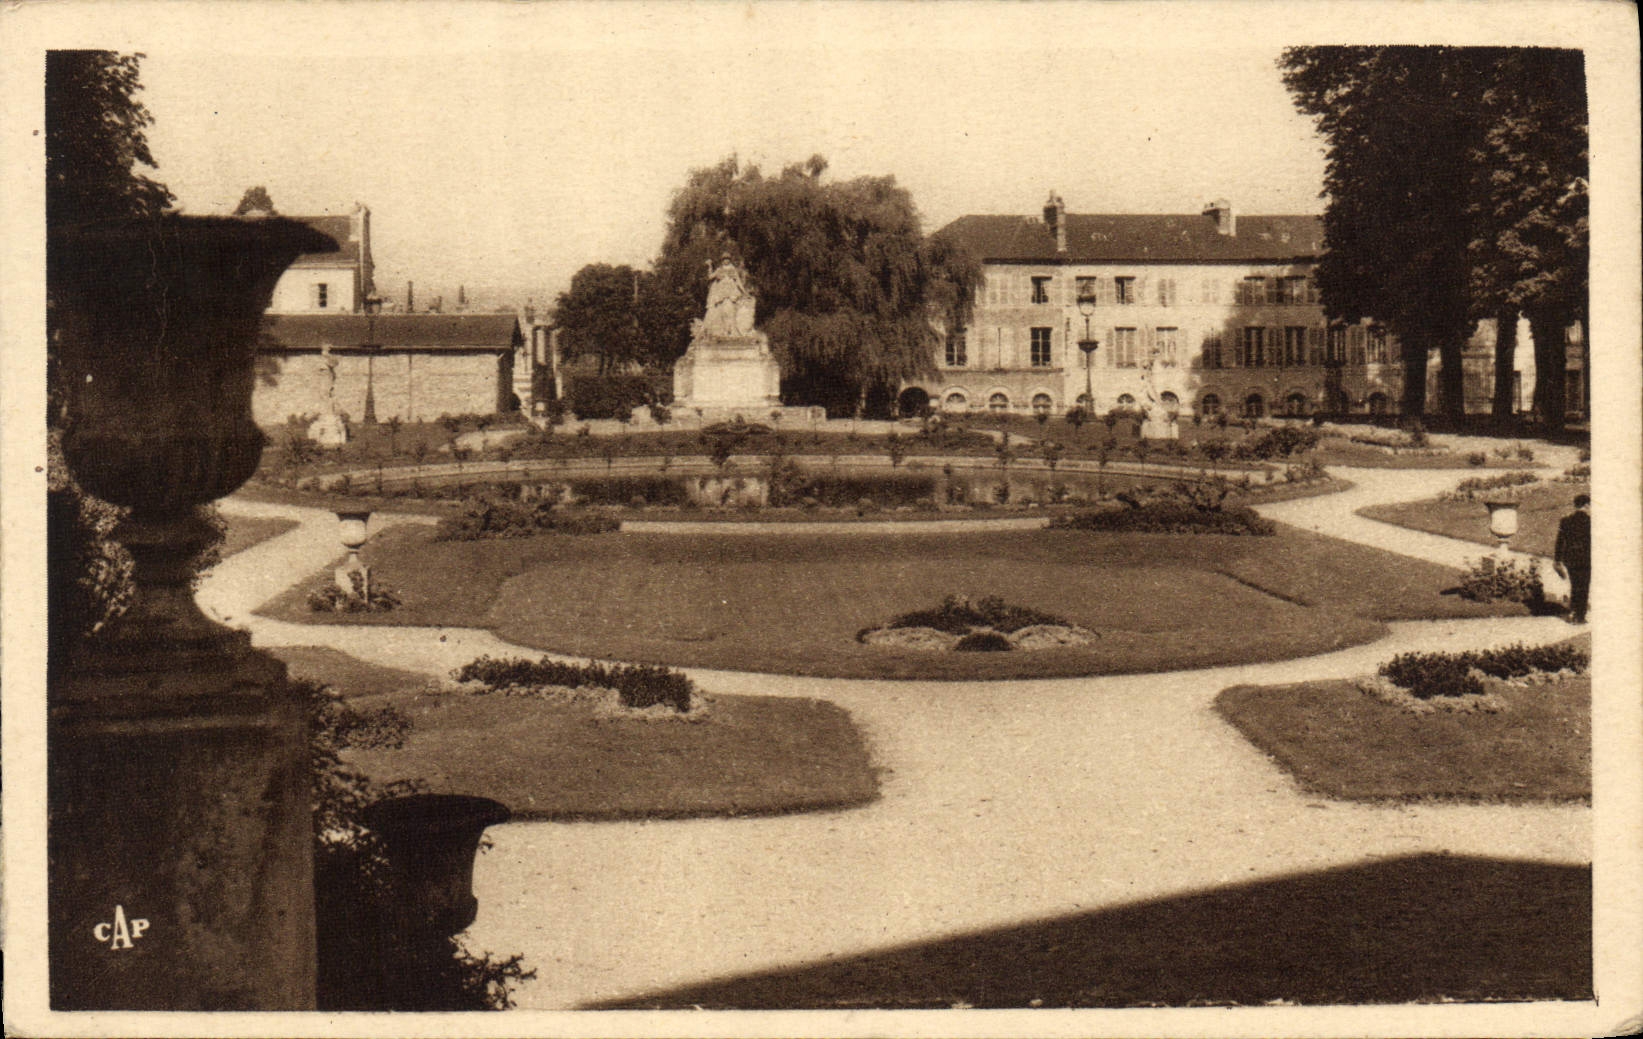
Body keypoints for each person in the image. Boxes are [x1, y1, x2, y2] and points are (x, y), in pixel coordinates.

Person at [1553, 493, 1591, 624]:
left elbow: (1559, 542)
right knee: (1584, 586)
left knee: (1575, 585)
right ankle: (1580, 616)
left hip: (1570, 558)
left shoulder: (1566, 521)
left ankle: (1573, 612)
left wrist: (1557, 560)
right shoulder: (1590, 521)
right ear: (1586, 505)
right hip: (1586, 558)